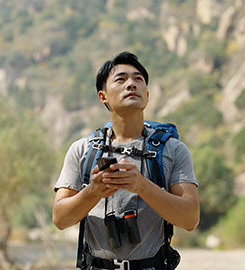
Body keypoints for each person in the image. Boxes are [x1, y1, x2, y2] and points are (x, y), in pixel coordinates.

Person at [52, 51, 200, 270]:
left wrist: (142, 186)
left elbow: (190, 219)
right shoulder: (82, 150)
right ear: (103, 96)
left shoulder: (172, 149)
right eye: (121, 79)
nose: (131, 84)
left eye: (138, 79)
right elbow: (60, 219)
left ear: (147, 95)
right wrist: (92, 192)